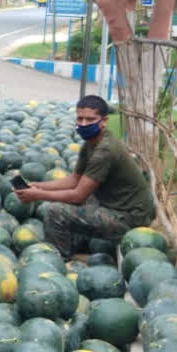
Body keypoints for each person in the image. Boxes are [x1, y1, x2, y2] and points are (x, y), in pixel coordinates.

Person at [13, 95, 156, 258]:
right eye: (80, 118)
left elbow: (77, 194)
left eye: (90, 119)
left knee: (55, 212)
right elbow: (74, 179)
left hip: (131, 219)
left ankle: (59, 259)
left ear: (104, 121)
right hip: (119, 206)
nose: (83, 124)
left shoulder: (104, 151)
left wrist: (38, 195)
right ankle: (78, 244)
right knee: (78, 201)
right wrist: (38, 185)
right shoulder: (91, 144)